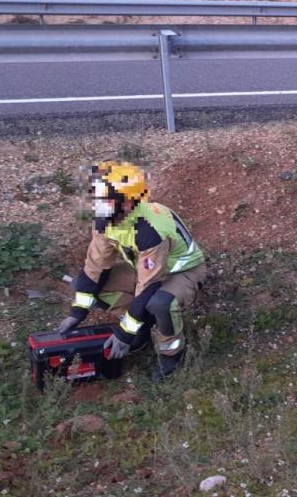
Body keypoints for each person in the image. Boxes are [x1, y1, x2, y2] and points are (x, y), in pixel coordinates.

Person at [55, 161, 206, 380]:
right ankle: (142, 328)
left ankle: (171, 354)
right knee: (82, 283)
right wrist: (77, 313)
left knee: (160, 302)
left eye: (104, 200)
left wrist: (125, 333)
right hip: (145, 269)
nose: (97, 206)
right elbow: (96, 268)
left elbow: (148, 287)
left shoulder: (150, 230)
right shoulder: (107, 221)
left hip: (182, 272)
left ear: (126, 203)